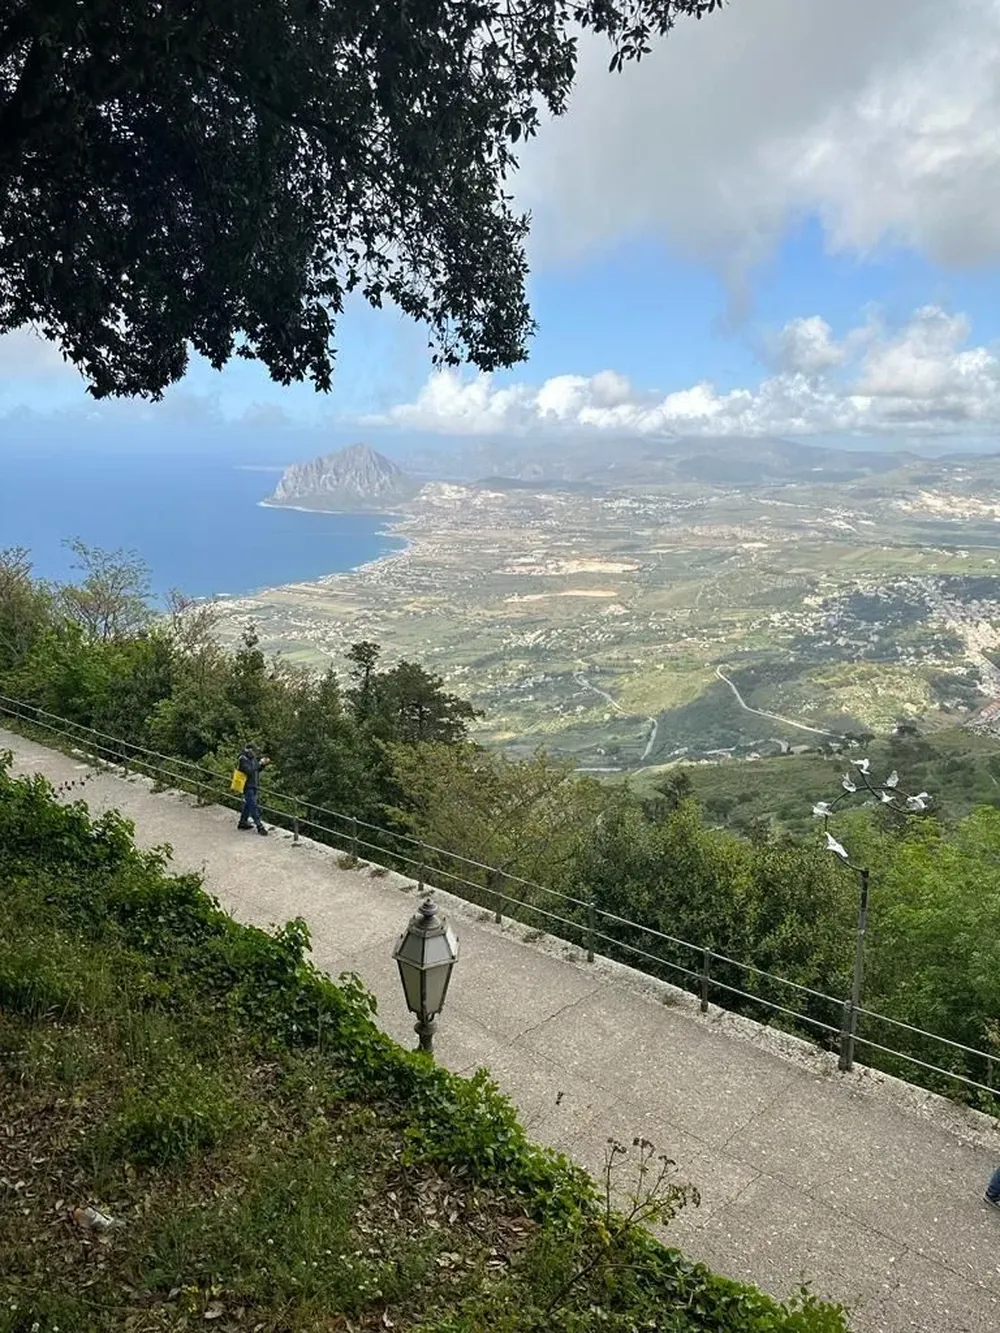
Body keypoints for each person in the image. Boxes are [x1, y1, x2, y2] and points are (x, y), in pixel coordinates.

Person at [236, 743, 270, 835]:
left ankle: (242, 822)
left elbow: (257, 770)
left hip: (254, 785)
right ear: (249, 750)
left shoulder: (253, 758)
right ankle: (260, 826)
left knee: (248, 804)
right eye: (255, 751)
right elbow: (249, 771)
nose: (256, 753)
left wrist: (263, 765)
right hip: (247, 786)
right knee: (253, 806)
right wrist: (259, 763)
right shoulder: (243, 759)